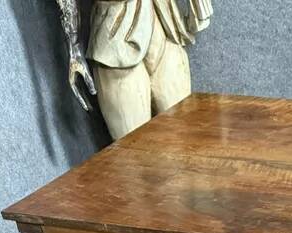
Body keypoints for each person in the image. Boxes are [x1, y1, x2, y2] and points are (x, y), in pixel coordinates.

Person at [56, 0, 213, 139]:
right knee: (135, 155)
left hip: (165, 29)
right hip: (114, 43)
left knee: (183, 139)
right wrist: (74, 43)